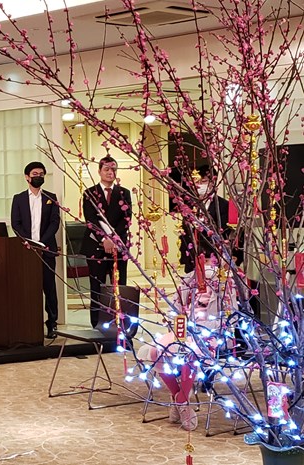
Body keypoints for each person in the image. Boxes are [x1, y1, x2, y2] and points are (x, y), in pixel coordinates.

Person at [136, 256, 238, 431]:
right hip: (183, 332)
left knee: (189, 354)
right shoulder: (187, 281)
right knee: (156, 351)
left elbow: (231, 318)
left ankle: (181, 400)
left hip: (211, 335)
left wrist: (202, 326)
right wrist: (179, 324)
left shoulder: (224, 284)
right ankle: (179, 397)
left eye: (209, 259)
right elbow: (175, 310)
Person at [80, 156, 132, 329]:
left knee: (119, 285)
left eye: (113, 169)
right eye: (107, 169)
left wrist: (113, 240)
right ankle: (96, 324)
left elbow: (126, 220)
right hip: (96, 245)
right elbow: (91, 219)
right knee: (97, 286)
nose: (110, 172)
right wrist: (104, 239)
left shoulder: (124, 193)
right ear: (99, 171)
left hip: (118, 246)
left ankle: (121, 323)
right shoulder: (89, 193)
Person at [11, 161, 61, 339]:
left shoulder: (51, 197)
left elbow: (55, 223)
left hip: (46, 249)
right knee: (28, 288)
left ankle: (52, 323)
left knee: (49, 287)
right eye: (35, 174)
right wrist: (28, 241)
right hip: (26, 250)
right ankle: (28, 324)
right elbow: (15, 223)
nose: (38, 177)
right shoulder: (18, 198)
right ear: (27, 177)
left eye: (41, 174)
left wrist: (41, 242)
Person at [179, 164, 230, 273]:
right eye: (197, 182)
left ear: (212, 182)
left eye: (204, 181)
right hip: (192, 256)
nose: (200, 185)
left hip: (213, 257)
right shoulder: (189, 205)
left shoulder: (223, 205)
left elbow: (223, 231)